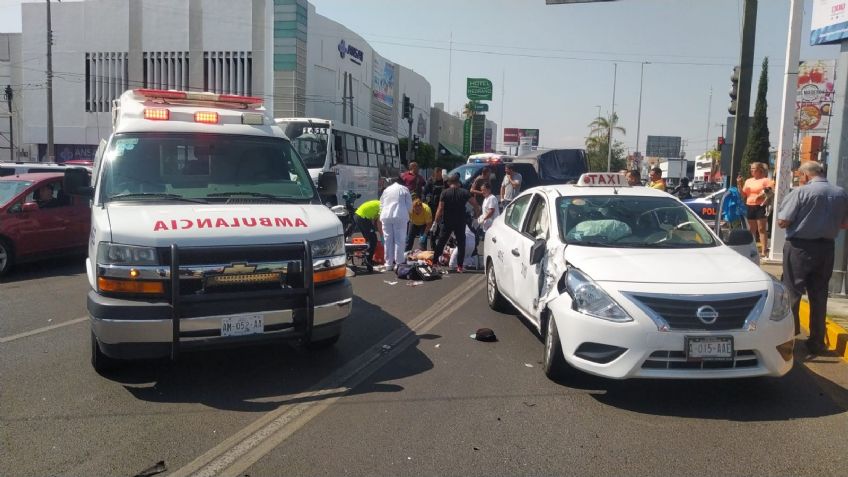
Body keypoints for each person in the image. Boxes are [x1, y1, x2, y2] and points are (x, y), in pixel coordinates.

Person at [778, 161, 848, 355]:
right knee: (819, 294)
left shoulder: (800, 193)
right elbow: (844, 224)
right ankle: (817, 340)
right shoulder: (841, 193)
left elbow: (783, 221)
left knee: (792, 292)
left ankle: (789, 336)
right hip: (826, 248)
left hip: (799, 247)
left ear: (806, 176)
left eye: (800, 176)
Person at [433, 174, 480, 273]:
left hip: (447, 221)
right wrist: (476, 217)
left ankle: (435, 263)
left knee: (441, 241)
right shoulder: (464, 192)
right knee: (461, 243)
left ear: (449, 183)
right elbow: (476, 205)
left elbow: (440, 209)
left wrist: (435, 222)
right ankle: (459, 266)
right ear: (458, 182)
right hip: (460, 221)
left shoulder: (444, 193)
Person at [737, 162, 774, 257]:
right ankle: (752, 249)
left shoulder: (766, 180)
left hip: (761, 206)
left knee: (761, 229)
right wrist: (739, 184)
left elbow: (770, 191)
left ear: (760, 170)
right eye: (751, 168)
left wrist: (760, 195)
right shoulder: (749, 181)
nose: (751, 170)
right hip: (750, 205)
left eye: (754, 169)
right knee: (752, 229)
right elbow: (743, 195)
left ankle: (764, 251)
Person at [380, 177, 413, 271]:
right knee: (399, 240)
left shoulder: (386, 190)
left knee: (388, 240)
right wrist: (408, 212)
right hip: (399, 215)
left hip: (386, 216)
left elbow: (381, 204)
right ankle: (398, 263)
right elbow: (409, 206)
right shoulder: (404, 189)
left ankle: (388, 264)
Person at [353, 199, 382, 267]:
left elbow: (373, 219)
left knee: (368, 239)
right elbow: (379, 222)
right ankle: (369, 260)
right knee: (373, 239)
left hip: (358, 215)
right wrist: (381, 234)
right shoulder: (383, 206)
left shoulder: (378, 203)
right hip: (363, 217)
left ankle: (366, 258)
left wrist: (372, 229)